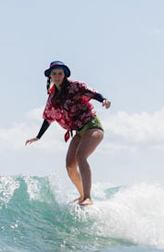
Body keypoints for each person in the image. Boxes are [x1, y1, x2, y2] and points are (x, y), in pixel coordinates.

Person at [25, 61, 111, 206]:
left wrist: (103, 100)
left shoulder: (75, 86)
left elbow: (92, 93)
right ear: (50, 76)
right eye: (54, 74)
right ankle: (82, 194)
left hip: (92, 126)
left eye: (60, 73)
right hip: (78, 131)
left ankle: (88, 197)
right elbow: (48, 118)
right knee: (70, 165)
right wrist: (38, 137)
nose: (58, 76)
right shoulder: (53, 98)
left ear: (64, 75)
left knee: (81, 156)